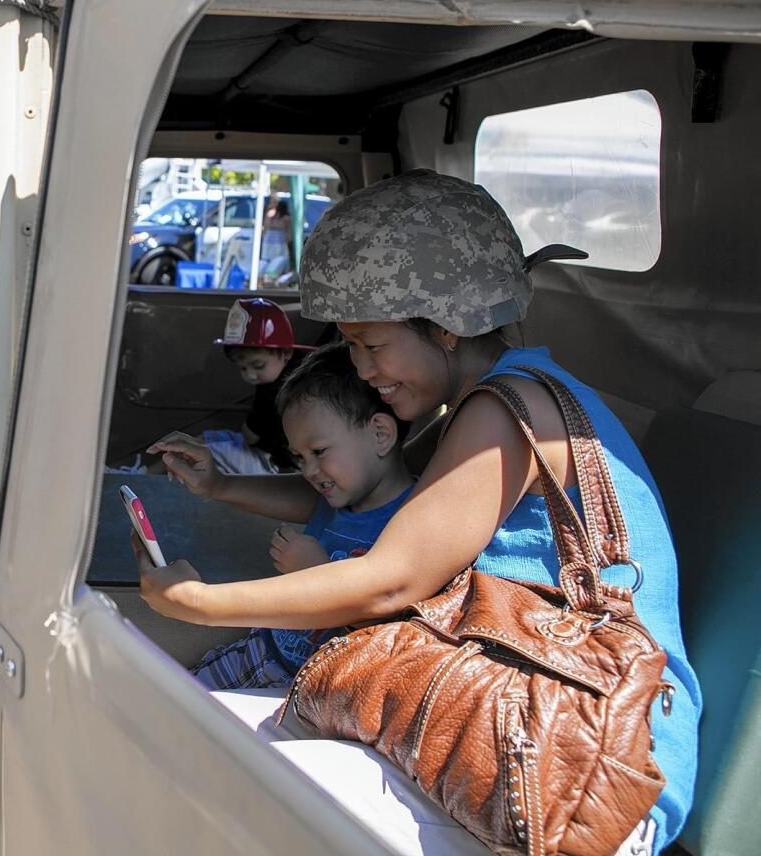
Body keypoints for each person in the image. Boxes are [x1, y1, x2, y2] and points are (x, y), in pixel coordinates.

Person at [143, 170, 699, 850]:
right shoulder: (495, 398)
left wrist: (200, 601)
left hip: (594, 769)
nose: (362, 368)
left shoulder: (504, 411)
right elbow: (379, 497)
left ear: (443, 328)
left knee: (209, 774)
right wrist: (222, 487)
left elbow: (391, 577)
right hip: (538, 730)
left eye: (371, 344)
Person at [190, 343, 413, 690]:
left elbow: (388, 636)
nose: (309, 470)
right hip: (260, 651)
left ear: (380, 434)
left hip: (310, 685)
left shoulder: (413, 521)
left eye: (319, 451)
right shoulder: (339, 497)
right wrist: (216, 484)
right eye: (299, 457)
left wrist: (319, 573)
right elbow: (279, 493)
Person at [203, 297, 312, 474]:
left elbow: (249, 437)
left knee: (206, 450)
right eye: (242, 368)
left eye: (258, 366)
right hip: (282, 456)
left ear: (286, 352)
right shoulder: (303, 367)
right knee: (207, 439)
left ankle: (145, 477)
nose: (250, 375)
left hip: (280, 468)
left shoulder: (275, 391)